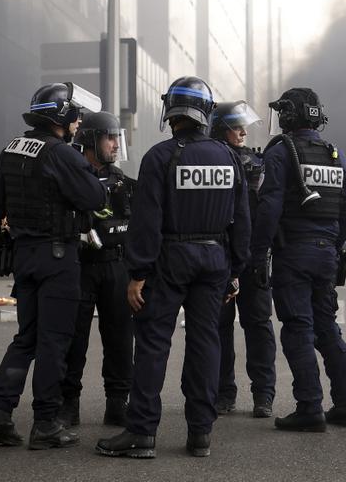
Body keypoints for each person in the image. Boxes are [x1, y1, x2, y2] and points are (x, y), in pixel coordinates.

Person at [96, 76, 250, 460]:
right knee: (206, 343)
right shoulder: (228, 156)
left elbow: (146, 222)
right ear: (206, 113)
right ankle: (201, 434)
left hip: (170, 260)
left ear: (172, 111)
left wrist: (137, 273)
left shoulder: (160, 157)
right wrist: (235, 269)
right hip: (215, 259)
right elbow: (243, 220)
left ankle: (142, 432)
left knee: (152, 344)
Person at [0, 82, 108, 450]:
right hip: (57, 259)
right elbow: (95, 197)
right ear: (61, 116)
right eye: (76, 115)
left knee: (27, 338)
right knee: (54, 341)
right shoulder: (61, 153)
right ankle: (46, 422)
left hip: (25, 258)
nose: (80, 121)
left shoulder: (12, 149)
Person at [251, 87, 346, 433]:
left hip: (294, 253)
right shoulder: (333, 153)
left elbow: (269, 208)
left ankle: (309, 407)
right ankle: (344, 405)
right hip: (327, 253)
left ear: (287, 115)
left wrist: (257, 253)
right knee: (327, 328)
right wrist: (332, 243)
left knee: (298, 329)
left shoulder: (281, 153)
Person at [58, 111, 136, 430]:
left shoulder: (126, 185)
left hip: (116, 266)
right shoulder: (70, 179)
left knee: (119, 338)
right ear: (90, 140)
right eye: (110, 137)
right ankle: (68, 405)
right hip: (80, 265)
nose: (116, 144)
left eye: (118, 137)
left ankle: (118, 404)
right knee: (73, 338)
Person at [210, 100, 277, 419]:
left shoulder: (258, 163)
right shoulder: (211, 161)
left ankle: (263, 395)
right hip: (221, 257)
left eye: (243, 125)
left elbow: (271, 210)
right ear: (218, 128)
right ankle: (224, 393)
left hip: (251, 258)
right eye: (234, 126)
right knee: (220, 327)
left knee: (258, 325)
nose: (241, 131)